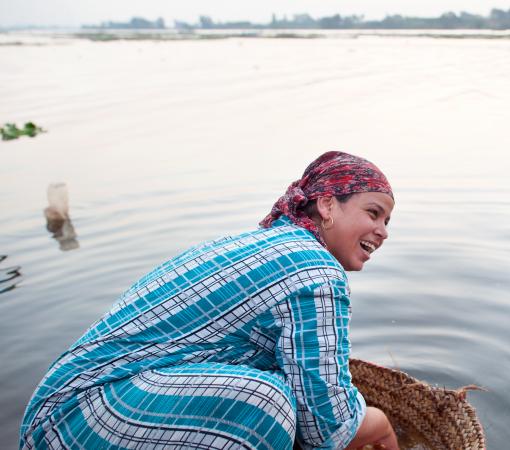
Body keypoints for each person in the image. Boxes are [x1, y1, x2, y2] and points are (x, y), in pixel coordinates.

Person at [20, 151, 399, 450]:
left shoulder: (271, 243)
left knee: (279, 389)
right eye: (373, 213)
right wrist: (380, 425)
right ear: (328, 206)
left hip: (64, 413)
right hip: (75, 423)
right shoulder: (314, 269)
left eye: (387, 222)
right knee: (265, 403)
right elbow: (326, 426)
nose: (381, 232)